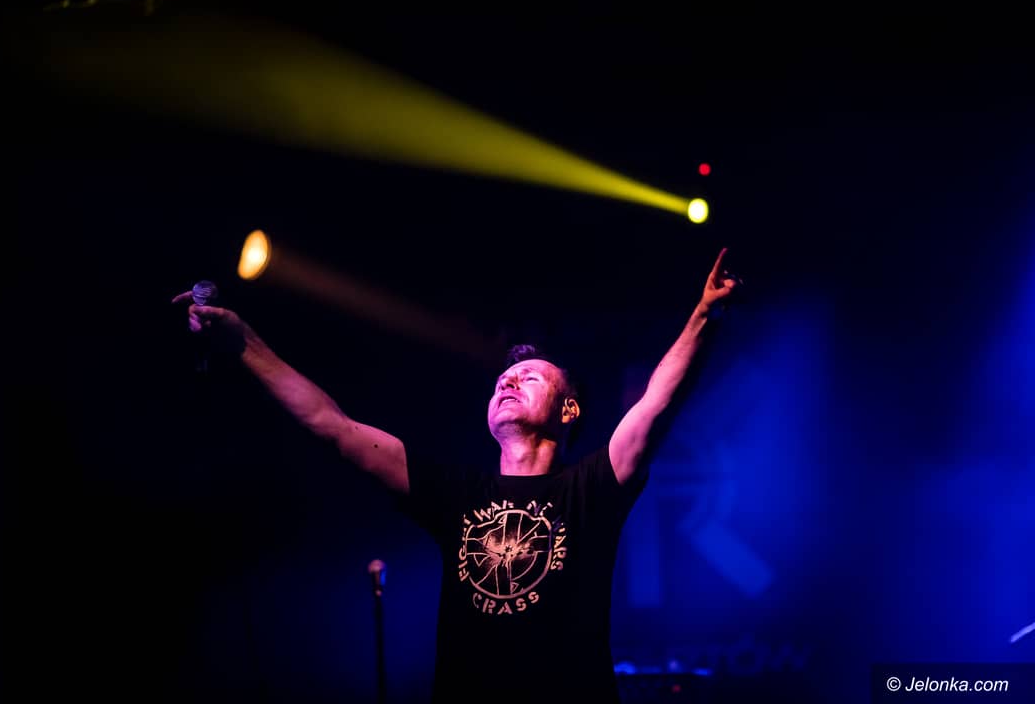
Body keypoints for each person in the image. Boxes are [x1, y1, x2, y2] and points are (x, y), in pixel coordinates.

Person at [172, 248, 741, 703]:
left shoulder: (591, 487)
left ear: (569, 410)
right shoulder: (457, 495)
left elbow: (657, 401)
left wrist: (703, 314)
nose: (508, 382)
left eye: (530, 378)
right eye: (502, 381)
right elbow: (332, 425)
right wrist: (243, 345)